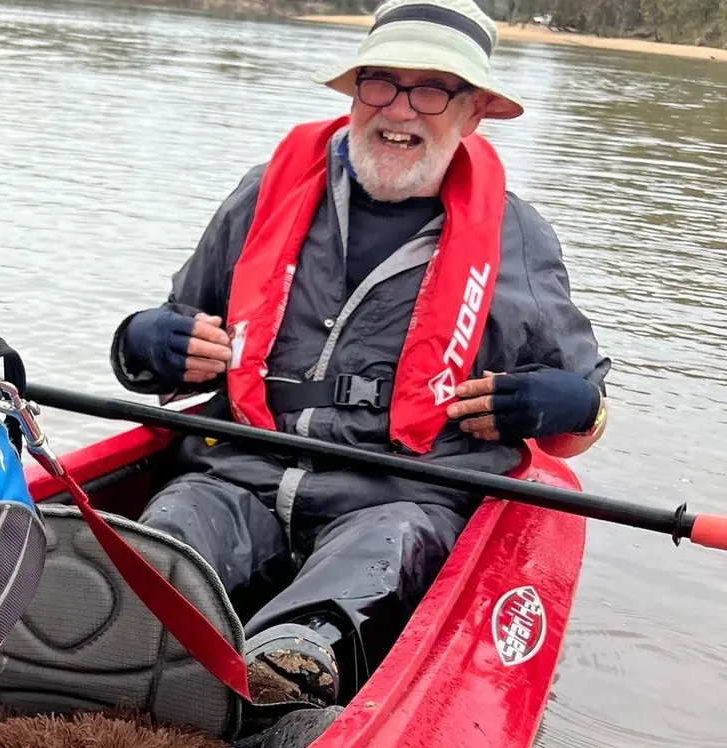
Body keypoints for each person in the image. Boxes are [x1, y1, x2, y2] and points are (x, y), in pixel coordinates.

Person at [109, 0, 611, 710]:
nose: (399, 110)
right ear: (354, 92)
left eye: (432, 89)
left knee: (387, 547)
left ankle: (286, 672)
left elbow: (582, 425)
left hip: (401, 494)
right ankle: (117, 646)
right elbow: (172, 340)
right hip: (236, 473)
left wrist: (568, 402)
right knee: (172, 526)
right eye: (381, 83)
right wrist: (143, 340)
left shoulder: (519, 240)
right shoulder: (262, 193)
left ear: (473, 112)